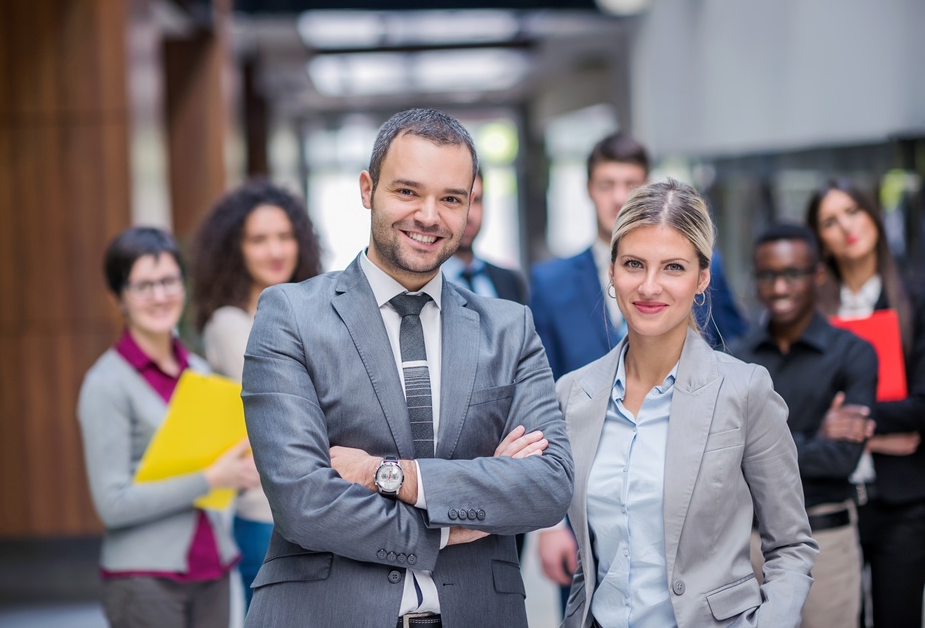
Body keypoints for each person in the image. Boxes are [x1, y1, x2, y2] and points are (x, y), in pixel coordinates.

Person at [240, 108, 574, 627]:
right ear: (367, 189)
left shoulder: (510, 328)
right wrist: (452, 523)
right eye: (408, 192)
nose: (429, 215)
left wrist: (390, 476)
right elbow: (303, 501)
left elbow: (547, 487)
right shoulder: (291, 316)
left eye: (451, 199)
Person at [556, 179, 817, 628]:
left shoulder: (744, 390)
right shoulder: (574, 393)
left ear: (702, 278)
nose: (650, 286)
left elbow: (791, 546)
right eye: (634, 264)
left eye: (673, 267)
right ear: (612, 272)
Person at [531, 133, 747, 606]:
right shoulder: (548, 282)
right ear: (589, 188)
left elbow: (736, 347)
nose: (617, 196)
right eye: (606, 183)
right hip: (592, 491)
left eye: (630, 183)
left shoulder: (702, 267)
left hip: (686, 488)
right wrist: (552, 522)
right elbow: (542, 401)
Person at [77, 227, 260, 628]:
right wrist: (211, 478)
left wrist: (236, 473)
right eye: (143, 285)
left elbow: (208, 463)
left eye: (168, 281)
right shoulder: (105, 384)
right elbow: (113, 504)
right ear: (119, 297)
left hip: (212, 567)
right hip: (144, 581)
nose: (160, 296)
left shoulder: (198, 371)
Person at [731, 223, 877, 628]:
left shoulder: (854, 354)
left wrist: (754, 446)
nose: (779, 287)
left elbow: (842, 460)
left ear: (818, 275)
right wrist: (814, 438)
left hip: (825, 542)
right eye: (767, 275)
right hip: (746, 546)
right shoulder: (735, 358)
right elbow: (725, 454)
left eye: (793, 274)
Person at [191, 181, 321, 610]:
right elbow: (298, 403)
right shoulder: (229, 324)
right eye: (259, 240)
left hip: (321, 507)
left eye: (284, 236)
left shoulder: (311, 311)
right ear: (236, 250)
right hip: (266, 517)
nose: (275, 250)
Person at [807, 179, 925, 628]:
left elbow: (921, 408)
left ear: (873, 215)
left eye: (853, 211)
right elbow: (800, 410)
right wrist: (881, 436)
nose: (846, 227)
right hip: (831, 505)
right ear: (820, 240)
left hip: (903, 505)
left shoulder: (915, 301)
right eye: (830, 222)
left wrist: (848, 423)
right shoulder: (811, 315)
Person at [441, 168, 528, 304]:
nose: (468, 215)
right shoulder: (422, 285)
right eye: (455, 200)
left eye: (476, 201)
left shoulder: (509, 280)